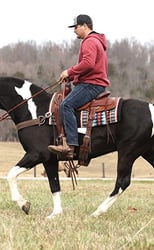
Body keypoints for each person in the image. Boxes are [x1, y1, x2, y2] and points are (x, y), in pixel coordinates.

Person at [48, 14, 110, 159]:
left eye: (76, 27)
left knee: (66, 105)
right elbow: (90, 66)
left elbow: (88, 63)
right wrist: (73, 76)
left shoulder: (89, 41)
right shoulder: (96, 41)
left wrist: (69, 71)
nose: (74, 30)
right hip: (94, 82)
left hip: (91, 84)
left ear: (84, 26)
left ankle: (70, 145)